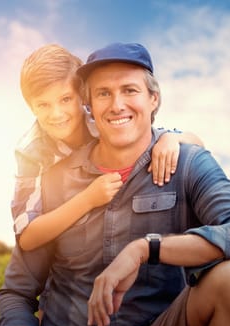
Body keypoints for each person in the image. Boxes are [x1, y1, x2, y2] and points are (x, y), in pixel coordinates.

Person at [0, 43, 230, 326]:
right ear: (90, 103)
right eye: (103, 93)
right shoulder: (47, 172)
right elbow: (17, 289)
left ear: (154, 99)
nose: (116, 105)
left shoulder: (185, 161)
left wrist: (146, 249)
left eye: (129, 90)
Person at [12, 44, 204, 251]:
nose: (57, 114)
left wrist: (171, 139)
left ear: (84, 98)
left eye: (65, 99)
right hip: (72, 234)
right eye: (43, 105)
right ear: (31, 107)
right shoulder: (31, 151)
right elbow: (27, 237)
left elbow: (194, 143)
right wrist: (87, 199)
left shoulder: (104, 121)